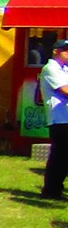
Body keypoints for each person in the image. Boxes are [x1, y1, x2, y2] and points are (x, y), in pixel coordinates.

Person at [40, 41, 68, 200]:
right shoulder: (50, 69)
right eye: (65, 50)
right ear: (56, 51)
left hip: (65, 118)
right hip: (60, 120)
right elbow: (65, 90)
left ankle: (54, 189)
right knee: (59, 157)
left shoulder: (64, 69)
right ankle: (51, 190)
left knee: (63, 157)